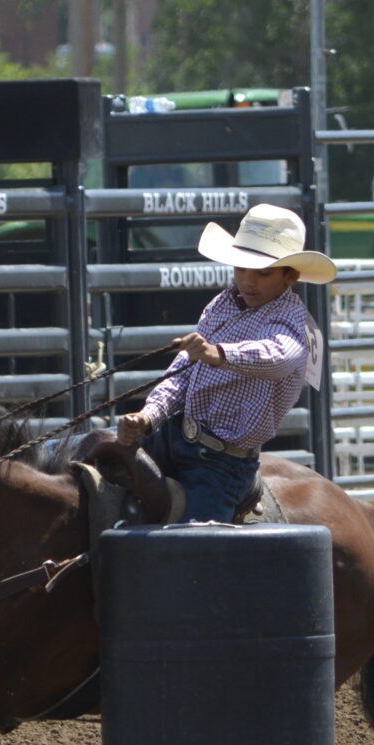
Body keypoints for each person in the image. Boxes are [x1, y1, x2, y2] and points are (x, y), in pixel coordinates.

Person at [115, 203, 336, 523]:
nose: (247, 281)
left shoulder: (290, 321)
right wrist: (148, 416)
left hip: (221, 464)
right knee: (97, 468)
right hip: (176, 436)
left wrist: (219, 354)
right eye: (240, 268)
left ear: (290, 277)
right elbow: (182, 372)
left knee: (199, 548)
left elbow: (279, 357)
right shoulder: (223, 304)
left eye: (262, 272)